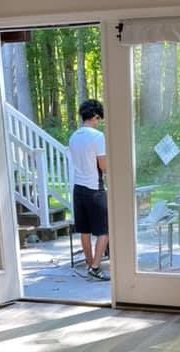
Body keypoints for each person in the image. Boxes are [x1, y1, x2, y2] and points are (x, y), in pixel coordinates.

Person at [69, 99, 109, 281]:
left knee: (84, 230)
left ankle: (90, 263)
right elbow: (103, 166)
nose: (99, 122)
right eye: (99, 118)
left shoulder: (74, 137)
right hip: (94, 189)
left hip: (78, 188)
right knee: (104, 231)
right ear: (95, 116)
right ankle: (95, 267)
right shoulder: (97, 136)